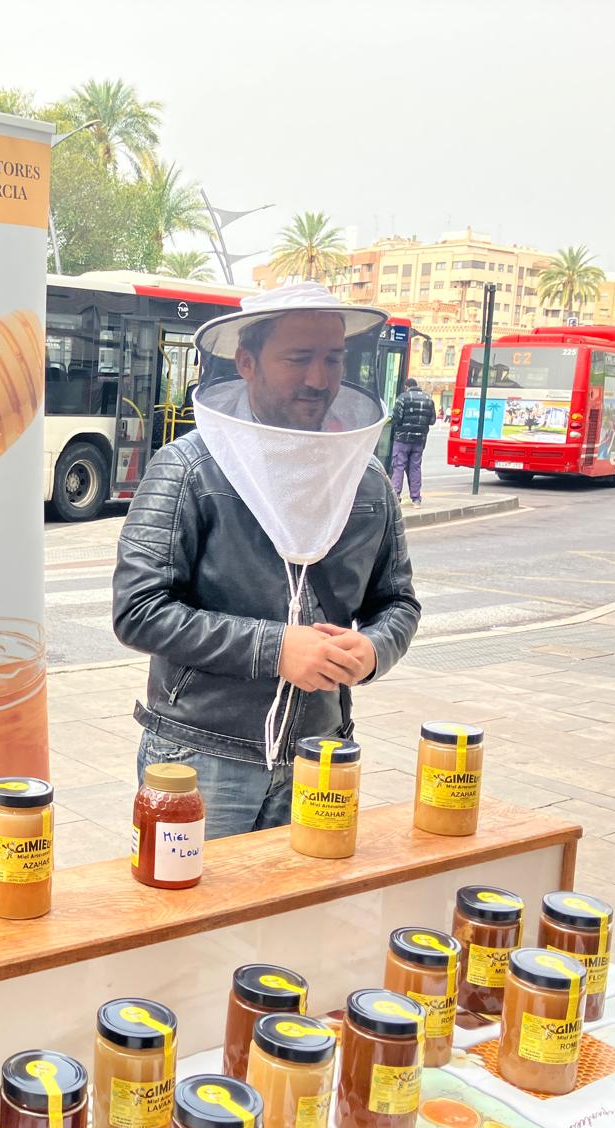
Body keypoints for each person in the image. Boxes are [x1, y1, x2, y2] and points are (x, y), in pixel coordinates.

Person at [113, 283, 421, 838]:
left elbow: (396, 601)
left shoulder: (368, 481)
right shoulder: (187, 469)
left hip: (322, 756)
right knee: (195, 919)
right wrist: (274, 648)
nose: (319, 379)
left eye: (333, 358)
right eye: (298, 358)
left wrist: (375, 649)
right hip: (201, 756)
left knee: (301, 920)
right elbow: (138, 610)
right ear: (247, 362)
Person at [389, 377, 436, 505]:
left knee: (398, 466)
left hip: (402, 439)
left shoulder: (402, 398)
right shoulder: (428, 399)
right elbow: (432, 421)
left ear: (406, 386)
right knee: (415, 467)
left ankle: (396, 495)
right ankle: (416, 498)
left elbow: (396, 418)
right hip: (419, 440)